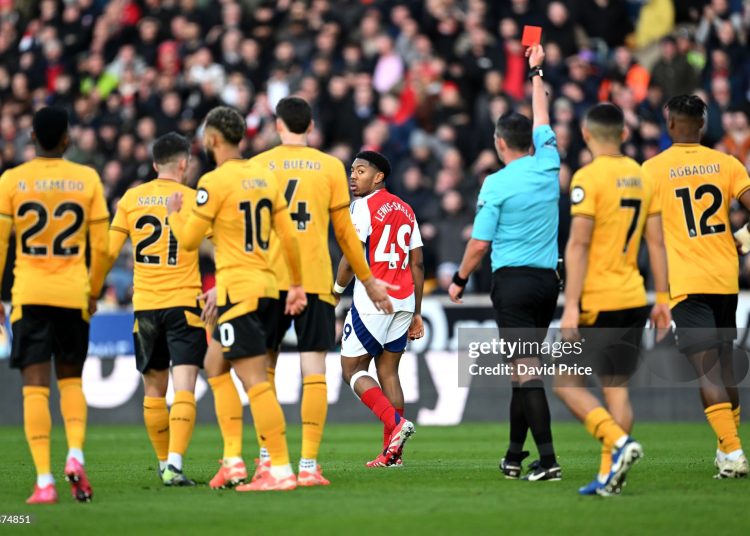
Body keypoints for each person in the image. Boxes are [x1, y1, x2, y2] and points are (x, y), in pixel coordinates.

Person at [248, 96, 395, 485]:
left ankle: (270, 461)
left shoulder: (257, 166)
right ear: (311, 126)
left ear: (278, 125)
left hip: (267, 282)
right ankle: (309, 466)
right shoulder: (330, 167)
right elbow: (346, 234)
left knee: (264, 371)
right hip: (314, 282)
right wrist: (367, 280)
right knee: (314, 370)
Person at [166, 106, 307, 491]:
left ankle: (279, 469)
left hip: (239, 291)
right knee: (215, 365)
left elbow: (191, 241)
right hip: (269, 288)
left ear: (212, 140)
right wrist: (295, 284)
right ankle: (232, 461)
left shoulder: (214, 182)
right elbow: (289, 235)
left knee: (255, 381)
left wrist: (176, 214)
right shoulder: (264, 175)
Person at [448, 44, 562, 481]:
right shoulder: (548, 162)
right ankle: (515, 455)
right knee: (523, 371)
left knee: (527, 372)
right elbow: (544, 117)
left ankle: (548, 461)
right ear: (530, 142)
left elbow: (479, 245)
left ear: (498, 144)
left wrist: (459, 279)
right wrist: (537, 73)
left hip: (512, 283)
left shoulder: (495, 184)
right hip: (548, 283)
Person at [554, 103, 672, 496]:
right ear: (623, 134)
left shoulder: (588, 178)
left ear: (586, 136)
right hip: (634, 295)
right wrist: (663, 297)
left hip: (597, 299)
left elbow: (579, 243)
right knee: (616, 387)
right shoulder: (641, 176)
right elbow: (656, 241)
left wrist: (571, 305)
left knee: (565, 383)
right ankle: (610, 475)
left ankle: (618, 444)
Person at [0, 106, 109, 503]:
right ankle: (76, 455)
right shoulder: (87, 179)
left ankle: (44, 481)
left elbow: (0, 243)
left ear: (32, 137)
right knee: (71, 379)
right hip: (72, 294)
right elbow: (102, 244)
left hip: (28, 294)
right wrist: (94, 289)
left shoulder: (12, 180)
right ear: (67, 138)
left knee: (34, 387)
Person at [89, 132, 211, 486]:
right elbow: (213, 249)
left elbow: (109, 252)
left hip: (145, 308)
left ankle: (162, 464)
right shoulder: (193, 199)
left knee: (153, 392)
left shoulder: (131, 198)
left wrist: (92, 291)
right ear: (184, 164)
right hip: (185, 304)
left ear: (155, 164)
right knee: (184, 387)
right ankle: (175, 463)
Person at [645, 94, 750, 479]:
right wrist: (745, 238)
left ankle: (735, 452)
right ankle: (727, 451)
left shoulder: (653, 170)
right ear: (703, 124)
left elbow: (650, 236)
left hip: (686, 282)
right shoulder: (727, 163)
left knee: (707, 371)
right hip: (725, 279)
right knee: (723, 368)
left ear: (670, 123)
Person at [335, 150, 425, 467]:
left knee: (351, 371)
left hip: (374, 300)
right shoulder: (407, 209)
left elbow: (350, 255)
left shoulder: (363, 207)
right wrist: (415, 310)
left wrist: (335, 291)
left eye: (360, 171)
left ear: (379, 176)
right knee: (388, 372)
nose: (353, 176)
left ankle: (396, 425)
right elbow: (417, 263)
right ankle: (393, 455)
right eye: (352, 171)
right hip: (402, 300)